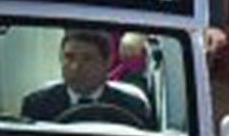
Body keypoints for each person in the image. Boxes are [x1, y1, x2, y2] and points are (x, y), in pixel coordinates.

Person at [20, 28, 156, 128]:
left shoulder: (133, 108)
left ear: (107, 62)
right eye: (69, 57)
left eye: (87, 59)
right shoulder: (36, 106)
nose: (75, 67)